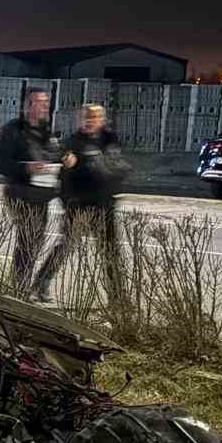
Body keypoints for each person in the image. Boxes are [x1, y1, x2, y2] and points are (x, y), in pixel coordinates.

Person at [33, 103, 129, 303]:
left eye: (94, 118)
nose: (89, 122)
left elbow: (118, 167)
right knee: (66, 246)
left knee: (110, 253)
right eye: (86, 118)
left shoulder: (110, 140)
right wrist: (69, 202)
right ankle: (40, 284)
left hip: (104, 205)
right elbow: (64, 178)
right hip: (80, 206)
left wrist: (116, 180)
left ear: (102, 120)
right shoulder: (73, 143)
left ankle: (117, 298)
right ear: (80, 120)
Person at [0, 87, 61, 293]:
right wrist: (26, 167)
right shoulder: (13, 130)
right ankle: (19, 289)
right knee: (28, 241)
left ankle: (22, 287)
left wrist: (62, 159)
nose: (44, 106)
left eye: (46, 102)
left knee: (35, 242)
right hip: (20, 193)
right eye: (39, 102)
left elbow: (53, 155)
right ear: (26, 106)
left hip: (42, 194)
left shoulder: (45, 131)